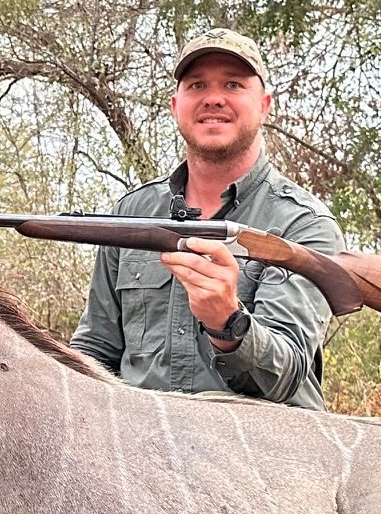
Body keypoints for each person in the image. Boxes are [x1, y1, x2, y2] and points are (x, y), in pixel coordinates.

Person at [70, 29, 344, 409]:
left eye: (233, 84)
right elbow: (95, 348)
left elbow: (287, 375)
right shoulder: (130, 214)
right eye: (197, 85)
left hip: (263, 455)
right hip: (139, 447)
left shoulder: (304, 225)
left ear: (264, 105)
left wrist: (229, 324)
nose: (213, 99)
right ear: (175, 105)